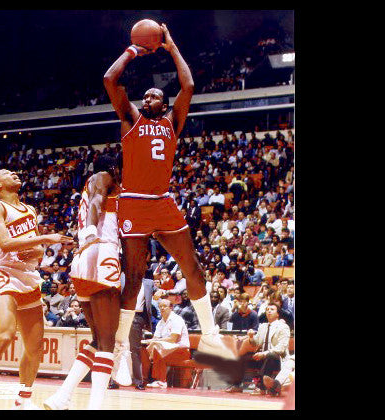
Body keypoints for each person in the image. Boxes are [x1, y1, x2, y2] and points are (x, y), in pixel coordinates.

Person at [103, 23, 237, 365]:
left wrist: (172, 47)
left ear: (163, 104)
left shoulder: (172, 122)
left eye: (154, 96)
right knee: (134, 276)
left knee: (193, 268)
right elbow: (109, 79)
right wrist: (134, 50)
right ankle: (119, 345)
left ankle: (210, 336)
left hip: (162, 201)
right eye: (145, 95)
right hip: (133, 202)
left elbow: (188, 84)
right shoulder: (130, 117)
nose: (148, 99)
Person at [0, 168, 73, 410]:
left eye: (16, 173)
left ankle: (23, 399)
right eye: (8, 173)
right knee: (5, 336)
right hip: (6, 273)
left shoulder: (30, 210)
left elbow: (38, 250)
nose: (15, 174)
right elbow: (6, 243)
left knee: (35, 346)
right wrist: (44, 240)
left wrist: (38, 248)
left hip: (29, 276)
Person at [44, 155, 123, 410]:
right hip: (101, 252)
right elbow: (98, 203)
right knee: (108, 340)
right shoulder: (103, 178)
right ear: (113, 168)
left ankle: (62, 396)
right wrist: (90, 231)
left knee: (98, 339)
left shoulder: (87, 186)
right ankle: (96, 406)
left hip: (82, 260)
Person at [140, 299, 191, 388]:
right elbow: (155, 338)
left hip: (182, 351)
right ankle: (143, 379)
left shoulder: (177, 319)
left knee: (157, 348)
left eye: (165, 306)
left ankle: (161, 380)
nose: (162, 308)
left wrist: (154, 342)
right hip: (166, 349)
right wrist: (148, 342)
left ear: (171, 307)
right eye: (160, 306)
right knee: (143, 348)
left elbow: (173, 339)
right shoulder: (160, 322)